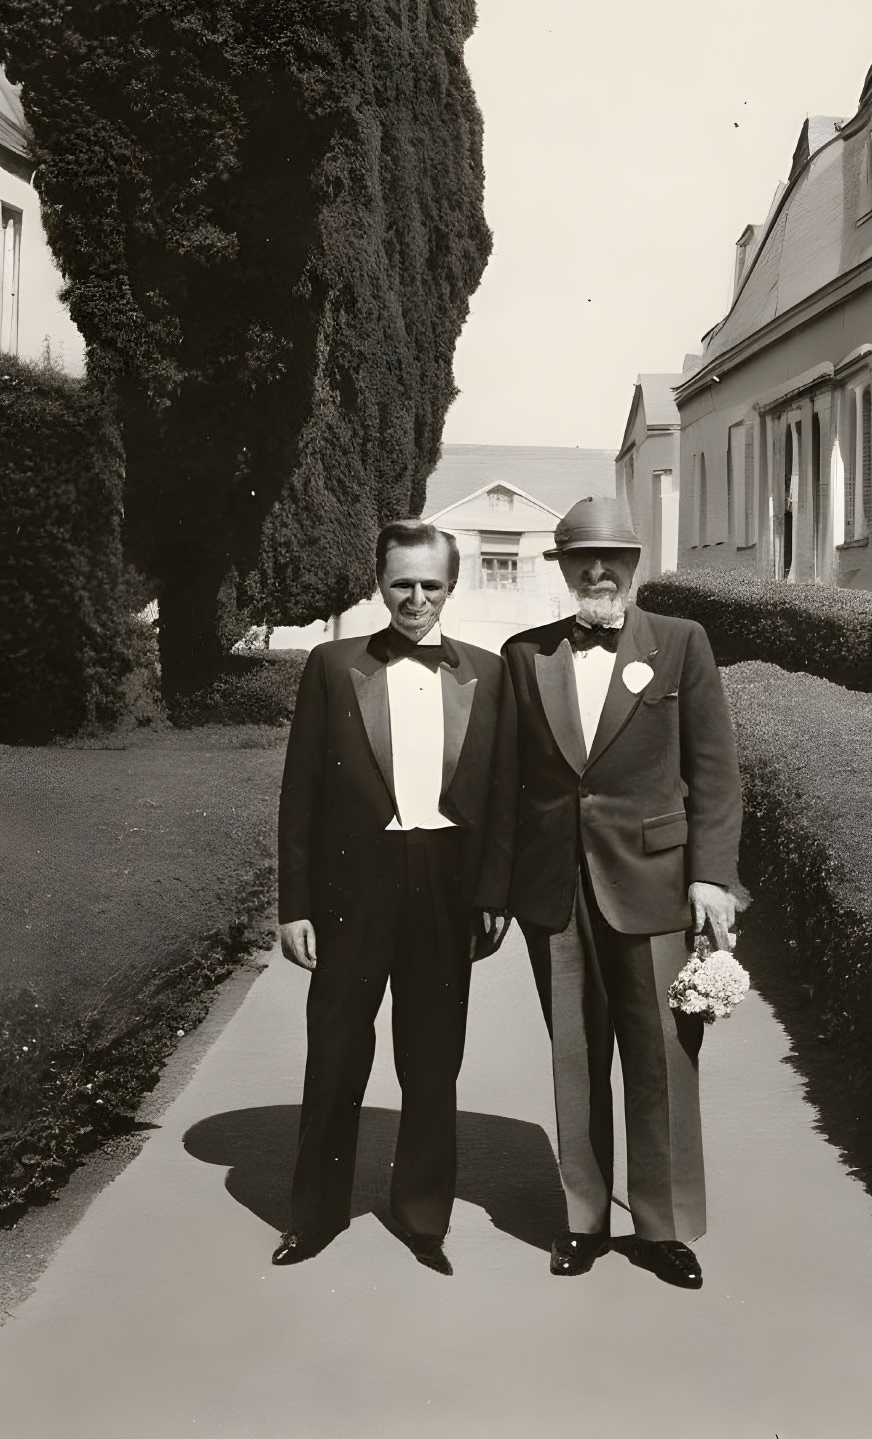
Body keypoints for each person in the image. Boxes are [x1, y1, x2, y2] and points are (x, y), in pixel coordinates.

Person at [477, 495, 744, 1290]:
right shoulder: (523, 655)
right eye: (582, 557)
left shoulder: (681, 644)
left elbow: (716, 774)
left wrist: (711, 875)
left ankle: (660, 1225)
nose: (598, 570)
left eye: (613, 558)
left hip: (657, 884)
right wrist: (494, 889)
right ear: (561, 567)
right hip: (553, 891)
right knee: (574, 1054)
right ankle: (583, 1218)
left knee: (663, 1056)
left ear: (634, 565)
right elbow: (501, 784)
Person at [272, 519, 506, 1275]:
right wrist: (294, 903)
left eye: (429, 585)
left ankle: (422, 1216)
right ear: (380, 582)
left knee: (432, 1057)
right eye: (401, 582)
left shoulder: (488, 672)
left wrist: (492, 891)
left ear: (450, 587)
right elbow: (298, 793)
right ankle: (313, 1216)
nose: (414, 598)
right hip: (351, 885)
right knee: (336, 1051)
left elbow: (503, 794)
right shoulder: (334, 665)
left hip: (446, 881)